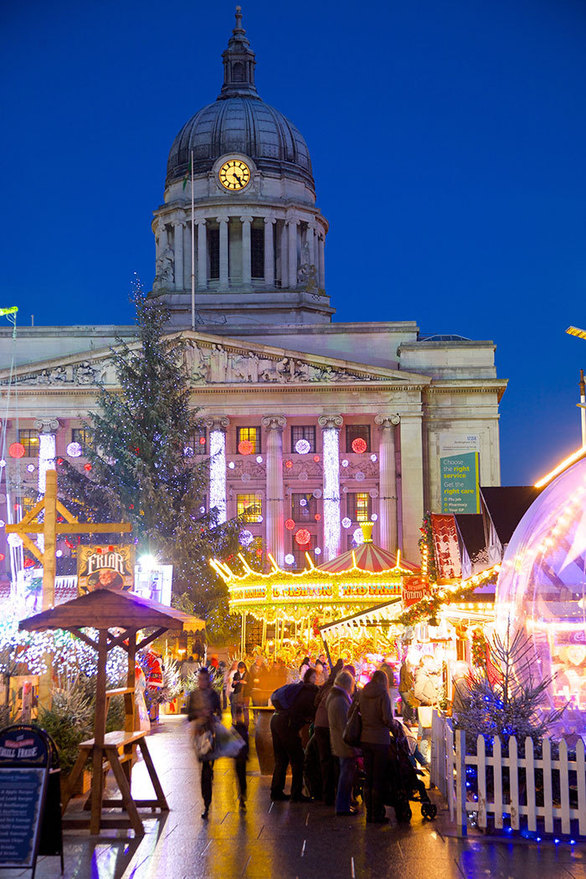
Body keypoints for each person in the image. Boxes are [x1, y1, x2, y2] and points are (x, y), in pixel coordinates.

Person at [270, 667, 318, 802]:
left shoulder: (297, 689)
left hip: (276, 719)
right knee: (298, 759)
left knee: (281, 759)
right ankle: (296, 794)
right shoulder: (310, 694)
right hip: (287, 724)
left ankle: (276, 791)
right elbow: (310, 713)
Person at [358, 669, 396, 823]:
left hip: (365, 738)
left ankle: (368, 813)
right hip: (380, 740)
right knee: (378, 777)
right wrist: (393, 726)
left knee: (368, 776)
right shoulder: (383, 695)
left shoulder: (363, 692)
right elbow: (387, 718)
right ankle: (377, 813)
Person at [188, 667, 221, 820]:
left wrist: (212, 714)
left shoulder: (214, 695)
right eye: (200, 679)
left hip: (211, 732)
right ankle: (206, 801)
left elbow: (220, 711)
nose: (202, 682)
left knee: (207, 767)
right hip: (199, 734)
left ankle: (206, 803)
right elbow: (189, 715)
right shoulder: (194, 695)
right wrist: (198, 714)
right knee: (205, 768)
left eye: (205, 679)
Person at [327, 670, 359, 816]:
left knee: (345, 773)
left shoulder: (336, 697)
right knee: (346, 775)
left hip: (339, 741)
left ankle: (343, 805)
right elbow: (345, 724)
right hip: (344, 743)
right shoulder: (340, 700)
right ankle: (342, 806)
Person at [313, 658, 344, 805]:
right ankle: (333, 794)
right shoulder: (336, 689)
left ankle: (326, 794)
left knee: (324, 760)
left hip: (319, 726)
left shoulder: (326, 687)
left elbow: (316, 703)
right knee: (334, 760)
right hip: (329, 726)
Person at [232, 705, 249, 811]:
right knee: (241, 777)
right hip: (239, 757)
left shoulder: (241, 727)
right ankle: (242, 796)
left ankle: (242, 796)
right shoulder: (236, 728)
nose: (239, 716)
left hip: (241, 756)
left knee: (241, 777)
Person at [231, 661, 250, 727]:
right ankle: (239, 723)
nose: (241, 670)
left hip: (245, 695)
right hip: (238, 694)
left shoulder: (248, 674)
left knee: (245, 709)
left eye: (242, 668)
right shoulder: (236, 674)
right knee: (238, 709)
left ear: (245, 668)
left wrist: (246, 683)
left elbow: (251, 685)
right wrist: (234, 683)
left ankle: (246, 724)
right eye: (239, 668)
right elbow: (232, 685)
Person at [398, 657, 416, 725]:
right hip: (404, 689)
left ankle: (406, 720)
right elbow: (405, 680)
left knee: (406, 705)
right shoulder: (405, 667)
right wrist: (411, 688)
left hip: (405, 689)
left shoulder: (408, 668)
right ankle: (412, 720)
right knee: (409, 704)